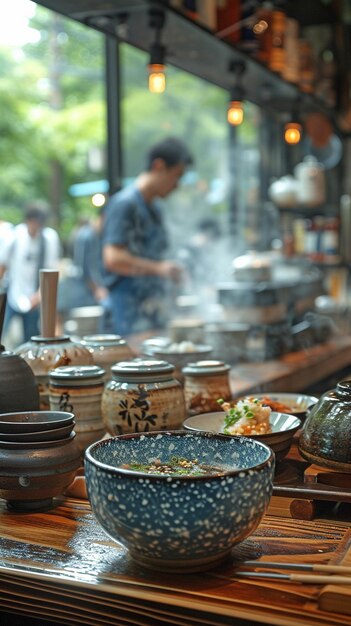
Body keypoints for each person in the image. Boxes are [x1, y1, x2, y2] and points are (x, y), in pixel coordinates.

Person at [102, 136, 193, 336]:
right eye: (176, 176)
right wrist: (160, 269)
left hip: (150, 312)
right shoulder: (124, 204)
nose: (176, 185)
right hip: (127, 314)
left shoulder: (155, 209)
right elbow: (113, 259)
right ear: (159, 166)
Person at [0, 202, 61, 343]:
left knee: (31, 340)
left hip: (35, 297)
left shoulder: (49, 238)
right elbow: (2, 266)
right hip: (12, 293)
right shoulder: (13, 236)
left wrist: (39, 296)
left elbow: (51, 271)